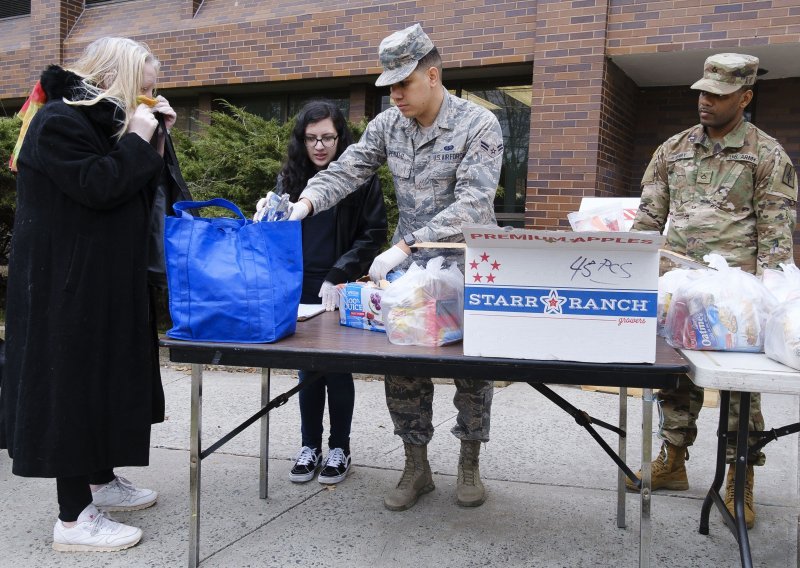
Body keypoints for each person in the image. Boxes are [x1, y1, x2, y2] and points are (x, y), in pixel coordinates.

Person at [286, 24, 504, 510]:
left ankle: (469, 462)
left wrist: (404, 245)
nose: (396, 94)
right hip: (410, 272)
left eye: (404, 84)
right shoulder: (389, 125)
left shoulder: (478, 124)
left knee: (473, 371)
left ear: (432, 74)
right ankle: (416, 464)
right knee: (402, 366)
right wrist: (304, 203)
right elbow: (348, 168)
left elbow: (473, 203)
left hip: (470, 265)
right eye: (390, 85)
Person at [0, 37, 174, 551]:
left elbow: (134, 189)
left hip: (101, 282)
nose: (154, 78)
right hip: (65, 288)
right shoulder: (58, 121)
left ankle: (100, 480)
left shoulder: (102, 121)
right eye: (146, 73)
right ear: (119, 71)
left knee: (104, 380)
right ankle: (73, 520)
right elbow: (99, 185)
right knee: (71, 389)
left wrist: (154, 139)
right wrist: (139, 138)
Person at [627, 53, 798, 530]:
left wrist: (774, 305)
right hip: (678, 290)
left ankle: (739, 477)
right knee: (674, 381)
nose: (706, 101)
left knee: (742, 393)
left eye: (718, 95)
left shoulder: (767, 155)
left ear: (745, 97)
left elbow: (779, 242)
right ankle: (674, 461)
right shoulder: (672, 149)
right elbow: (646, 224)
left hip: (737, 301)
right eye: (703, 92)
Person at [275, 100, 387, 484]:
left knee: (338, 370)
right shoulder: (289, 179)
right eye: (311, 138)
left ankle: (340, 447)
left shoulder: (361, 179)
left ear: (341, 138)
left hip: (340, 285)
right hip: (300, 285)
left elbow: (373, 235)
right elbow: (277, 233)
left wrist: (340, 274)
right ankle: (310, 446)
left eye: (327, 137)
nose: (319, 146)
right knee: (307, 371)